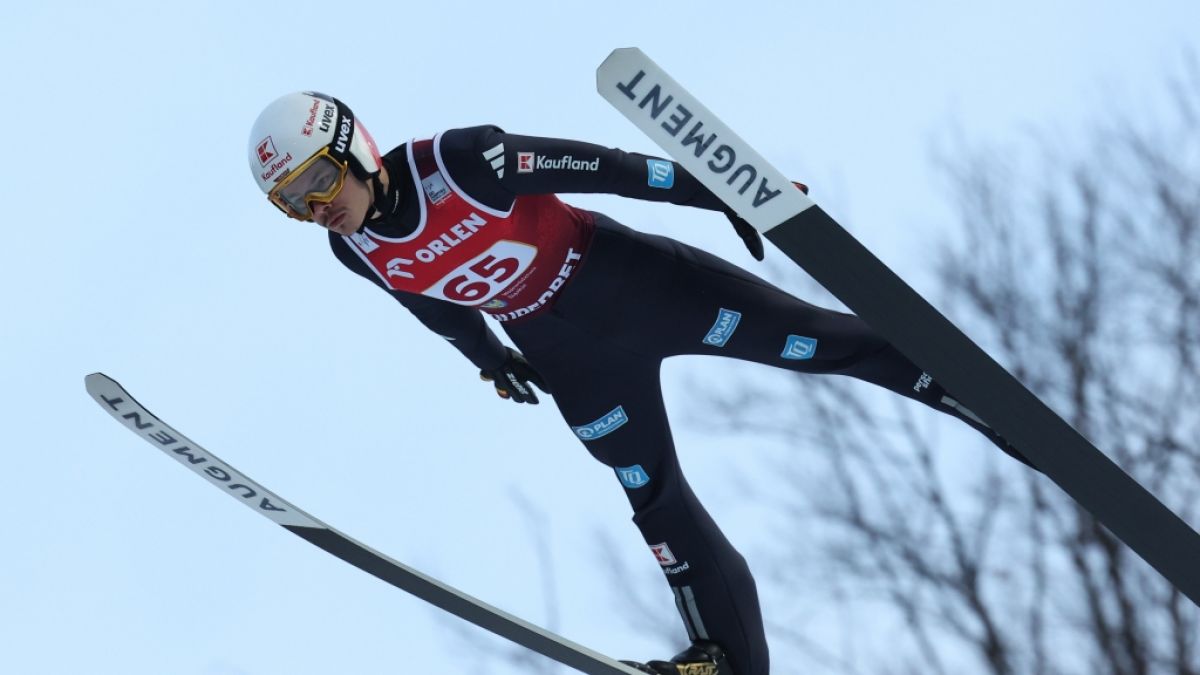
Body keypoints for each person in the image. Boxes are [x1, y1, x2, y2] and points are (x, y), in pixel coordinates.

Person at [247, 91, 1035, 675]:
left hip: (643, 289)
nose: (317, 209)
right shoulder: (355, 251)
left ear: (353, 148)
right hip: (573, 363)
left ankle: (966, 390)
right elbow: (429, 305)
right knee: (651, 496)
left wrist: (728, 192)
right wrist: (490, 361)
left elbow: (614, 170)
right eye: (291, 206)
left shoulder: (463, 161)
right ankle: (727, 658)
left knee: (817, 345)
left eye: (317, 183)